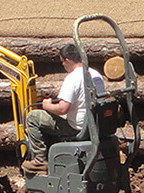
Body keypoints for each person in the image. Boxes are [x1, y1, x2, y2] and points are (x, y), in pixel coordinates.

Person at [21, 43, 105, 174]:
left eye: (62, 62)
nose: (63, 66)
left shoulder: (72, 78)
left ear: (67, 60)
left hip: (76, 128)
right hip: (94, 125)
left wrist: (47, 106)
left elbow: (62, 109)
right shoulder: (96, 74)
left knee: (33, 117)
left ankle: (39, 161)